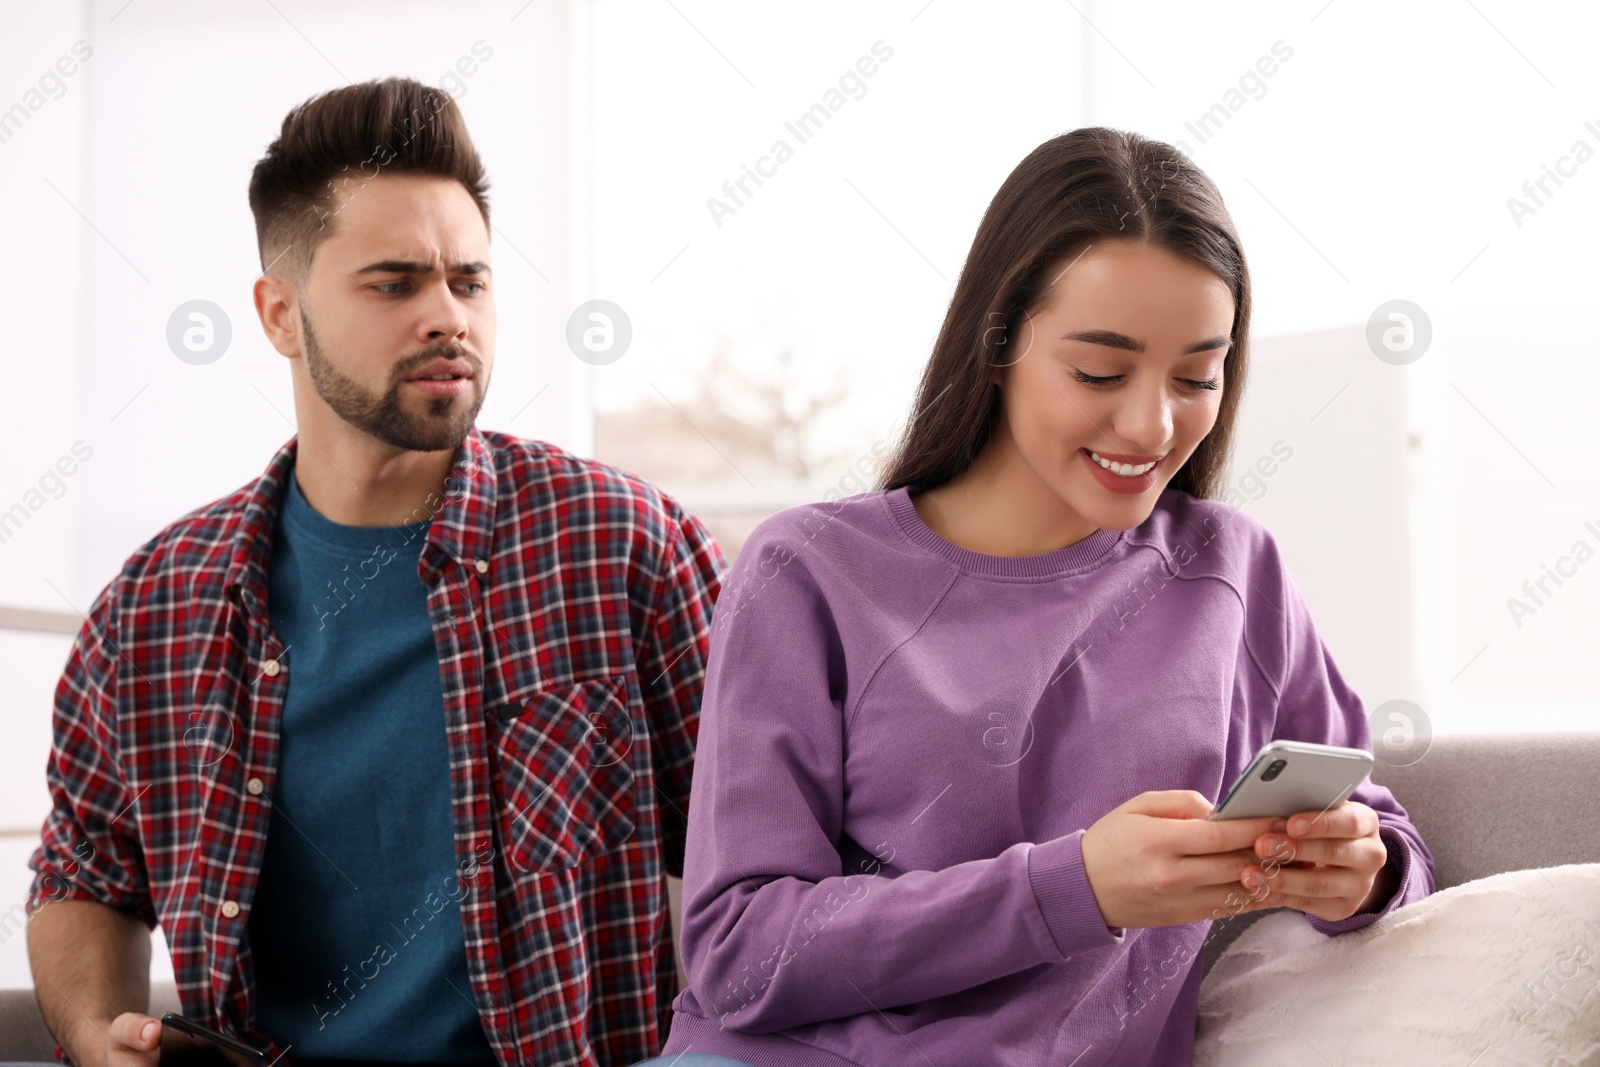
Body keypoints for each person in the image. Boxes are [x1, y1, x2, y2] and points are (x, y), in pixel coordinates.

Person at [658, 127, 1437, 1065]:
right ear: (997, 345)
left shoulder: (1232, 572)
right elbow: (738, 953)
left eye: (1198, 374)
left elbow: (1394, 839)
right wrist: (1076, 887)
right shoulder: (809, 570)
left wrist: (1364, 871)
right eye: (1099, 371)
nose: (1153, 423)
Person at [24, 77, 727, 1067]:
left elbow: (774, 864)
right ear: (278, 314)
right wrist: (98, 1033)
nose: (448, 318)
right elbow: (86, 871)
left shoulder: (620, 544)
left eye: (470, 281)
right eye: (394, 283)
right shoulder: (155, 605)